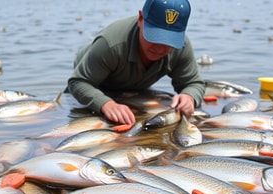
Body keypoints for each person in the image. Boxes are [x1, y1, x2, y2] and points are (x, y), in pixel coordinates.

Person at [67, 0, 205, 126]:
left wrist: (189, 97)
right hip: (93, 80)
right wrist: (106, 104)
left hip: (135, 89)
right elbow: (78, 82)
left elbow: (193, 83)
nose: (160, 48)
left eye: (168, 40)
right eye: (155, 37)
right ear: (140, 19)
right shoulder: (111, 44)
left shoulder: (181, 47)